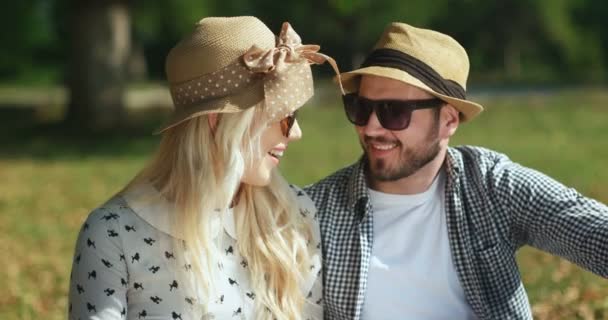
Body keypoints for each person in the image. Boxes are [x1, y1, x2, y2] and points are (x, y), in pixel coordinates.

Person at [305, 22, 608, 319]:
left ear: (449, 120)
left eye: (393, 111)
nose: (371, 127)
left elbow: (593, 231)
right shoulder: (316, 211)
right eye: (360, 108)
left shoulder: (491, 187)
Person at [68, 16, 342, 320]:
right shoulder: (112, 232)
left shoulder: (293, 217)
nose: (295, 132)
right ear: (218, 121)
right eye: (282, 115)